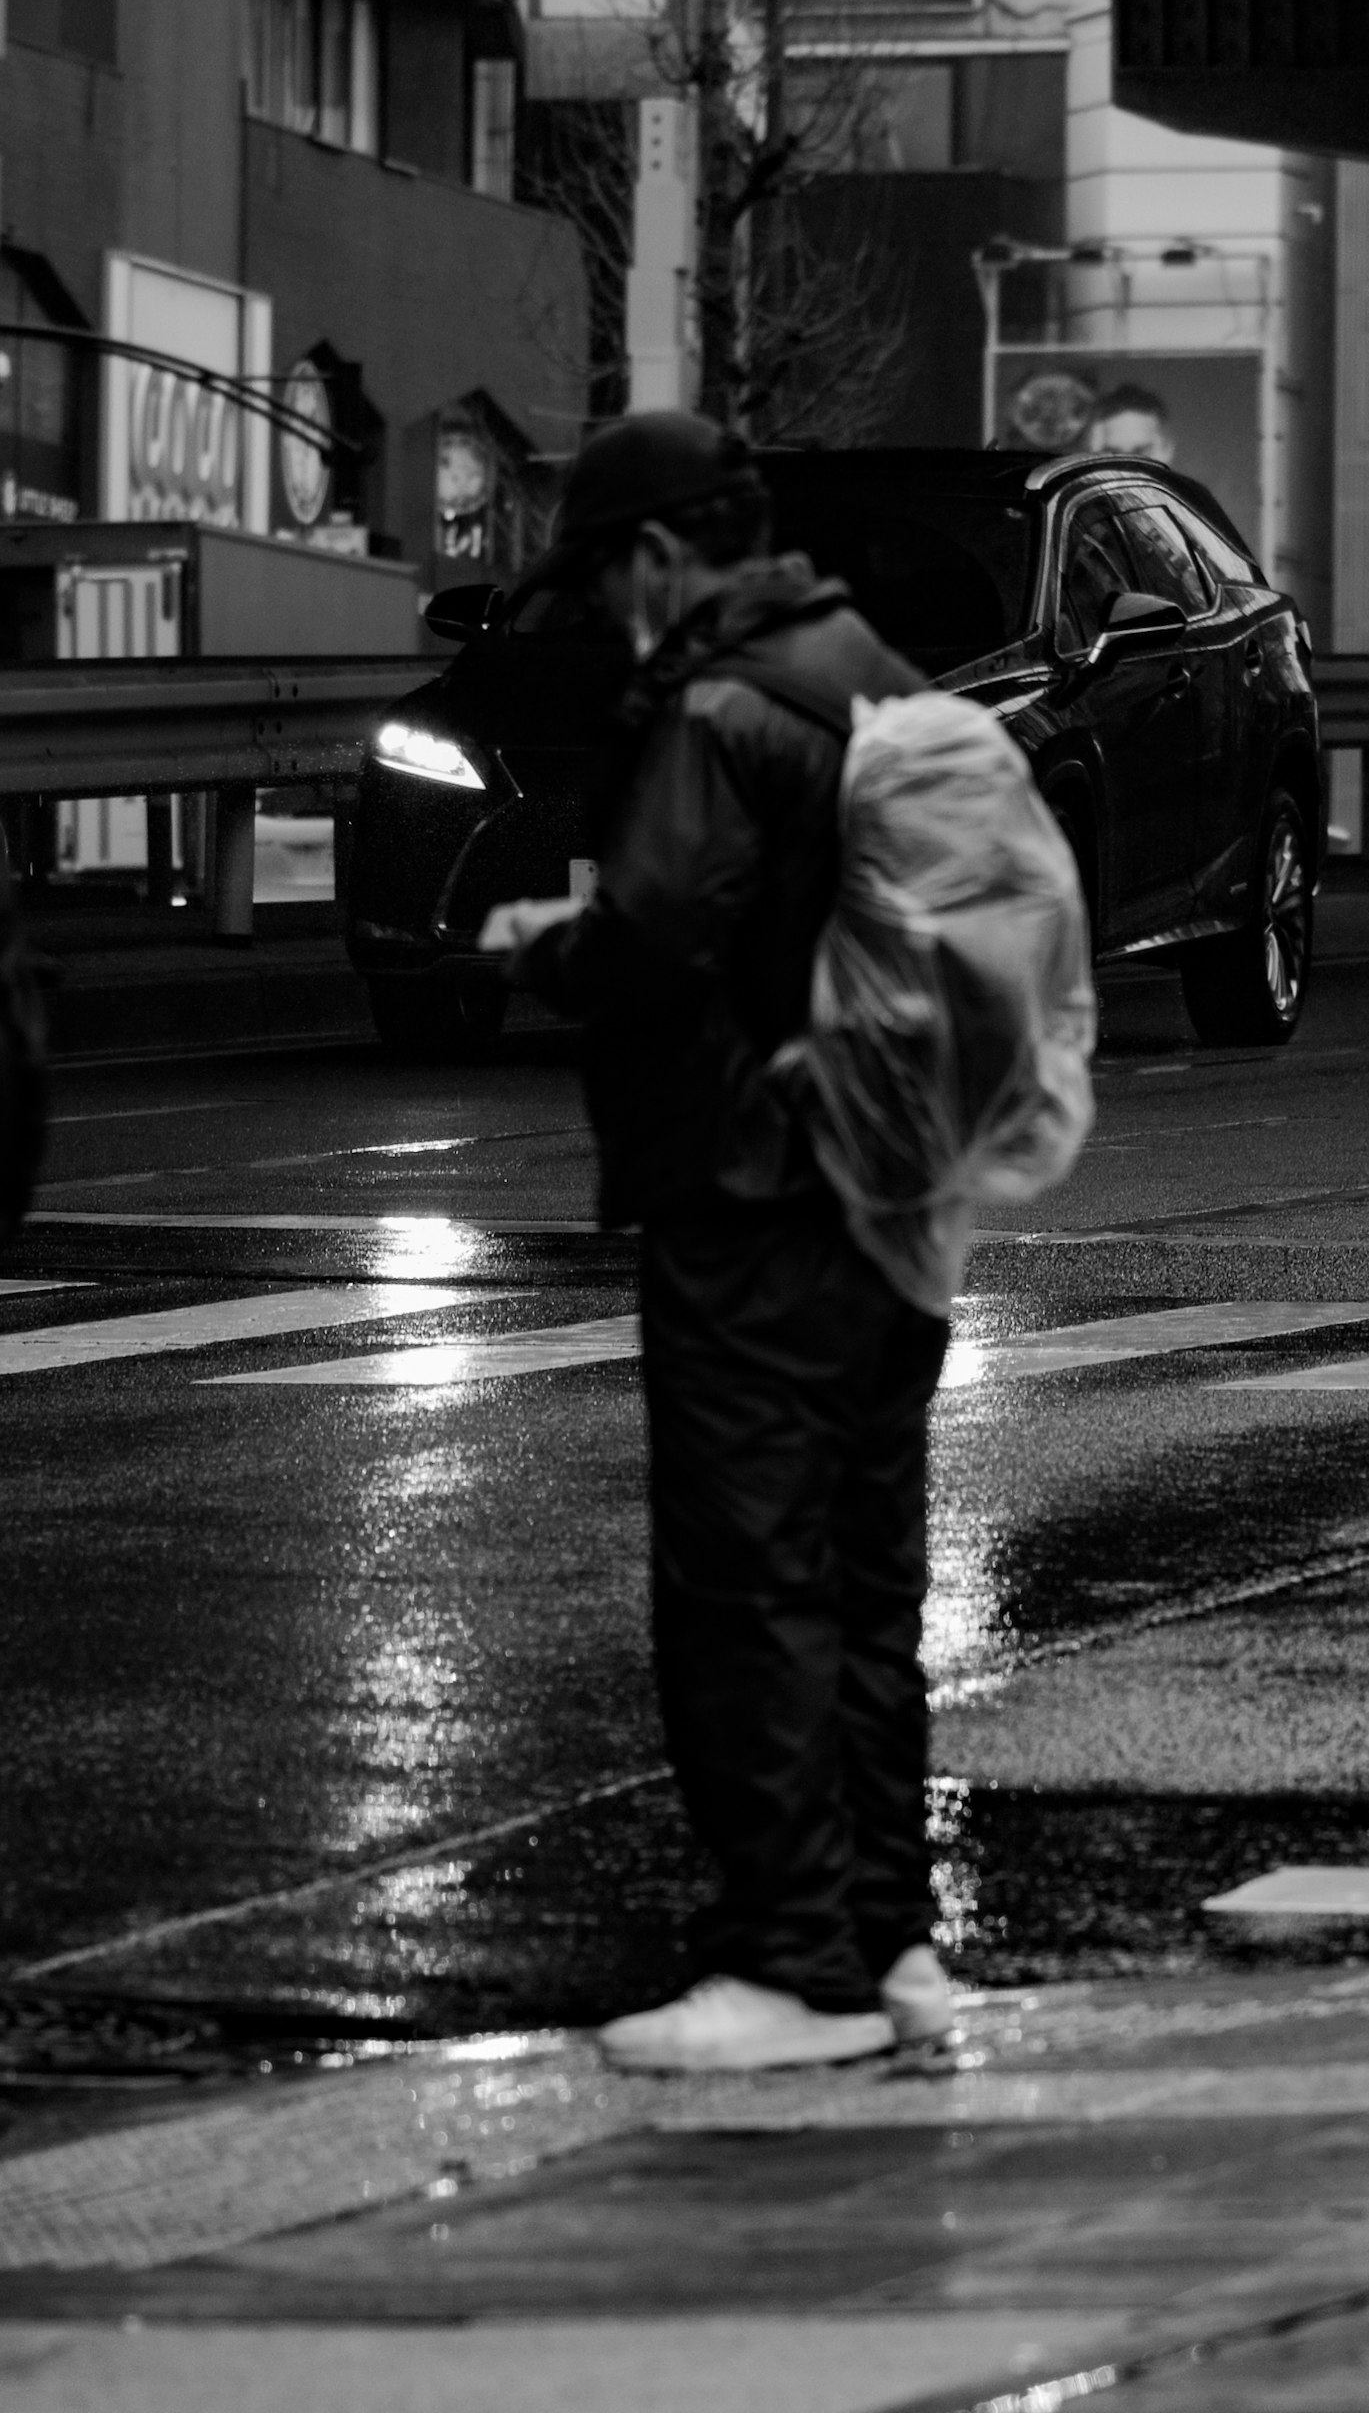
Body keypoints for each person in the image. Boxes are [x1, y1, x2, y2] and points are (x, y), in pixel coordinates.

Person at [478, 412, 953, 2074]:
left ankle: (788, 1967)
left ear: (661, 558)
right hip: (893, 1188)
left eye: (606, 576)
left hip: (754, 1194)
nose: (606, 610)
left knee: (748, 1583)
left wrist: (552, 946)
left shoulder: (715, 701)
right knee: (865, 1580)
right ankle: (889, 1940)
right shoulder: (865, 663)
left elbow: (667, 923)